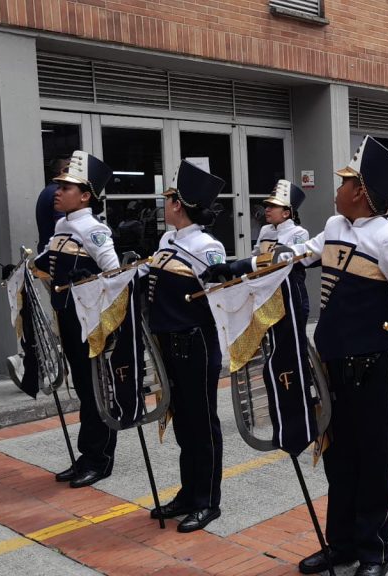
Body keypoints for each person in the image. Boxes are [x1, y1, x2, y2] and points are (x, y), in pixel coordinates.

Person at [292, 136, 388, 576]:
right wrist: (250, 265)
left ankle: (373, 550)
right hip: (333, 363)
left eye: (347, 181)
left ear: (363, 193)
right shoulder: (334, 226)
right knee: (339, 456)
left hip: (375, 366)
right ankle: (342, 544)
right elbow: (305, 253)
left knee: (376, 461)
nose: (339, 187)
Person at [142, 161, 228, 532]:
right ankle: (188, 492)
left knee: (202, 424)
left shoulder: (207, 246)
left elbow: (218, 299)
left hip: (195, 344)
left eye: (170, 199)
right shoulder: (167, 241)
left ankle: (207, 500)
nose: (165, 205)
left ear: (179, 204)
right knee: (183, 423)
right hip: (167, 344)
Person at [31, 151, 118, 488]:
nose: (57, 190)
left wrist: (89, 280)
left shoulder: (93, 229)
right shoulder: (62, 224)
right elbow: (47, 260)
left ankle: (100, 459)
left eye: (66, 187)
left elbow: (114, 274)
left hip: (89, 321)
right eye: (58, 185)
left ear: (84, 196)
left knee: (95, 389)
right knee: (82, 388)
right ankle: (86, 454)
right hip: (66, 315)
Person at [7, 157, 70, 394]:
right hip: (56, 263)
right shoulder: (57, 195)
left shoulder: (48, 192)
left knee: (59, 317)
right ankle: (28, 361)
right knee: (63, 317)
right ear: (62, 171)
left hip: (49, 261)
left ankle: (37, 362)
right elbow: (62, 230)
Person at [251, 179, 311, 318]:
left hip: (290, 291)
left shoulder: (299, 232)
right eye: (266, 206)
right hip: (268, 291)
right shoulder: (265, 230)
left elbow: (288, 263)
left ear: (286, 213)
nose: (267, 209)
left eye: (273, 206)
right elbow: (256, 255)